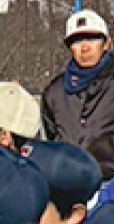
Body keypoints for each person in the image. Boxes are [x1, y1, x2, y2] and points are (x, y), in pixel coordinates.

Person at [42, 10, 114, 151]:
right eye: (77, 41)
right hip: (67, 172)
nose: (85, 47)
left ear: (107, 44)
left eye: (92, 39)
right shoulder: (54, 92)